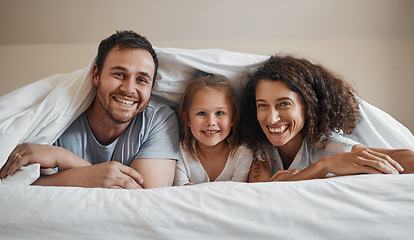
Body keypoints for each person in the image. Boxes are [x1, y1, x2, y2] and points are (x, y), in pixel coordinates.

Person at [0, 30, 180, 189]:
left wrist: (64, 159)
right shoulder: (59, 117)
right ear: (96, 74)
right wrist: (95, 175)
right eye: (119, 74)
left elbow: (144, 196)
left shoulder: (159, 120)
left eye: (142, 79)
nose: (129, 89)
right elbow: (17, 183)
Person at [239, 54, 414, 182]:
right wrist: (316, 170)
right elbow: (262, 189)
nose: (272, 118)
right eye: (262, 105)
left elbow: (409, 159)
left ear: (308, 106)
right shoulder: (259, 146)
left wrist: (326, 165)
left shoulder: (325, 145)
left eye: (284, 104)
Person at [173, 73, 252, 186]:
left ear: (233, 118)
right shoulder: (178, 153)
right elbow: (181, 194)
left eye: (220, 113)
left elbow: (236, 195)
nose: (210, 122)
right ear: (187, 119)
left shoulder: (242, 154)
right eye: (201, 113)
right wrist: (225, 186)